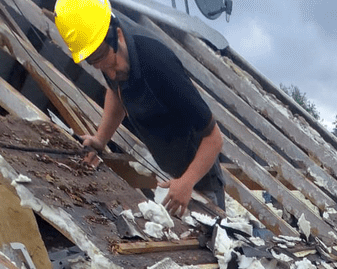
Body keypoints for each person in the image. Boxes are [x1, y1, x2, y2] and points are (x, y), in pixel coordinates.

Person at [54, 0, 225, 217]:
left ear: (118, 35)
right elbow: (116, 93)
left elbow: (214, 139)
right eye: (95, 63)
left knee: (210, 240)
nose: (110, 73)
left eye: (108, 62)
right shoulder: (105, 52)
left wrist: (187, 182)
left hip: (200, 178)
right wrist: (100, 140)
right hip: (169, 169)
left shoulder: (158, 63)